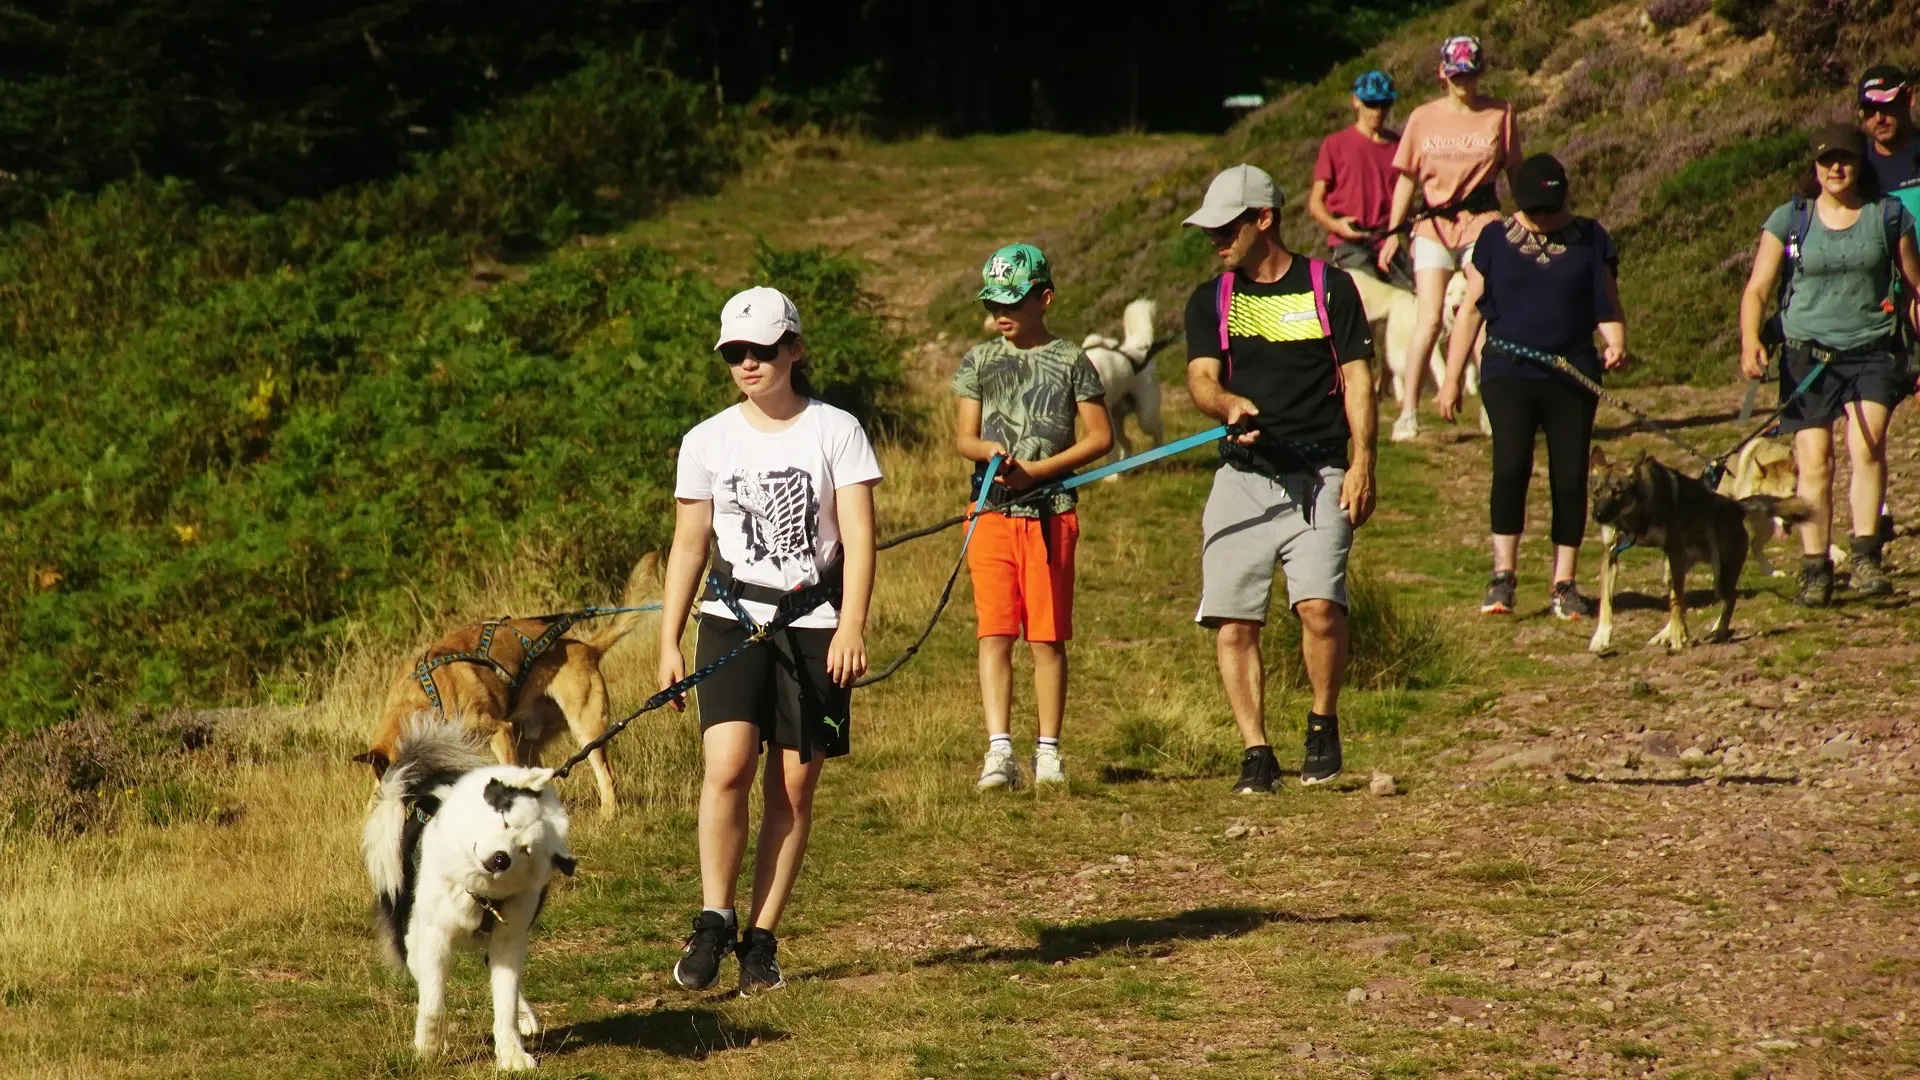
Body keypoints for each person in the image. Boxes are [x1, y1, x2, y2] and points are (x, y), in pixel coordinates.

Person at [658, 285, 883, 994]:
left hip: (815, 624)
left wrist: (852, 623)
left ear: (795, 349)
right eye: (735, 353)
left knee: (793, 783)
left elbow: (861, 537)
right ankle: (712, 917)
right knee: (725, 766)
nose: (749, 364)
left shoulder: (837, 430)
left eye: (762, 350)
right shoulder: (707, 440)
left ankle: (761, 939)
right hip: (729, 618)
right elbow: (688, 545)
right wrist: (668, 639)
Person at [1180, 164, 1377, 794]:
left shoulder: (1331, 288)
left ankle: (1323, 722)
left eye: (1226, 226)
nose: (1215, 238)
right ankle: (1256, 750)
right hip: (1243, 477)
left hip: (1320, 473)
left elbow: (1360, 381)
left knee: (1320, 609)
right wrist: (1227, 406)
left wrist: (1364, 461)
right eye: (1209, 228)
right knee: (1235, 622)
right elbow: (1202, 379)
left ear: (1263, 219)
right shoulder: (1211, 299)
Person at [1436, 154, 1626, 618]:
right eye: (1533, 211)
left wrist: (1616, 342)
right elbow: (1471, 311)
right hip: (1507, 370)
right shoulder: (1494, 240)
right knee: (1510, 466)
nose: (1542, 221)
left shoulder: (1591, 238)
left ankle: (1565, 583)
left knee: (1569, 475)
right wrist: (1453, 379)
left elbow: (1607, 302)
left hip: (1572, 372)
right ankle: (1503, 576)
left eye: (1550, 210)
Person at [952, 243, 1113, 790]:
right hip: (990, 514)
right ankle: (1000, 751)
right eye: (994, 302)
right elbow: (963, 437)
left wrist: (1040, 470)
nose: (1003, 313)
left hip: (1050, 515)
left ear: (1044, 299)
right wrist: (992, 455)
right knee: (994, 632)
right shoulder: (978, 360)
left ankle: (1048, 752)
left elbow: (1100, 437)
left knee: (1046, 637)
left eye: (1014, 302)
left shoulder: (1072, 360)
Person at [1737, 124, 1920, 604]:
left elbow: (1915, 290)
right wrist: (1749, 340)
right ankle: (1815, 566)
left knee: (1867, 445)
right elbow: (1757, 288)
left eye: (1846, 160)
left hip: (1872, 351)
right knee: (1815, 462)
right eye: (1827, 161)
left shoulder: (1888, 216)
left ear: (1861, 165)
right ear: (1815, 167)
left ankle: (1864, 557)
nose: (1836, 169)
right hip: (1807, 355)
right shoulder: (1790, 219)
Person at [1377, 35, 1522, 442]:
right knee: (1427, 318)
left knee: (1482, 314)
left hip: (1483, 221)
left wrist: (1531, 218)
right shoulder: (1423, 118)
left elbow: (1515, 170)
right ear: (1443, 73)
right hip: (1433, 225)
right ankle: (1407, 412)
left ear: (1480, 73)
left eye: (1470, 73)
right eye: (1456, 73)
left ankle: (1490, 409)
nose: (1463, 81)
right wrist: (1392, 232)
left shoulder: (1500, 113)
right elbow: (1407, 178)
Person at [1310, 70, 1414, 290]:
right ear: (1356, 102)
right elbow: (1315, 202)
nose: (1378, 111)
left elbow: (1406, 198)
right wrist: (1337, 226)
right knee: (1366, 298)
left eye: (1384, 104)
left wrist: (1405, 236)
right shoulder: (1335, 145)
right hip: (1349, 243)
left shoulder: (1399, 145)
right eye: (1371, 104)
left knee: (1412, 298)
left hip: (1388, 240)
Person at [1859, 65, 1920, 220]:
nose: (1879, 118)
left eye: (1886, 105)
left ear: (1909, 98)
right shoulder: (1856, 165)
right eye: (1869, 109)